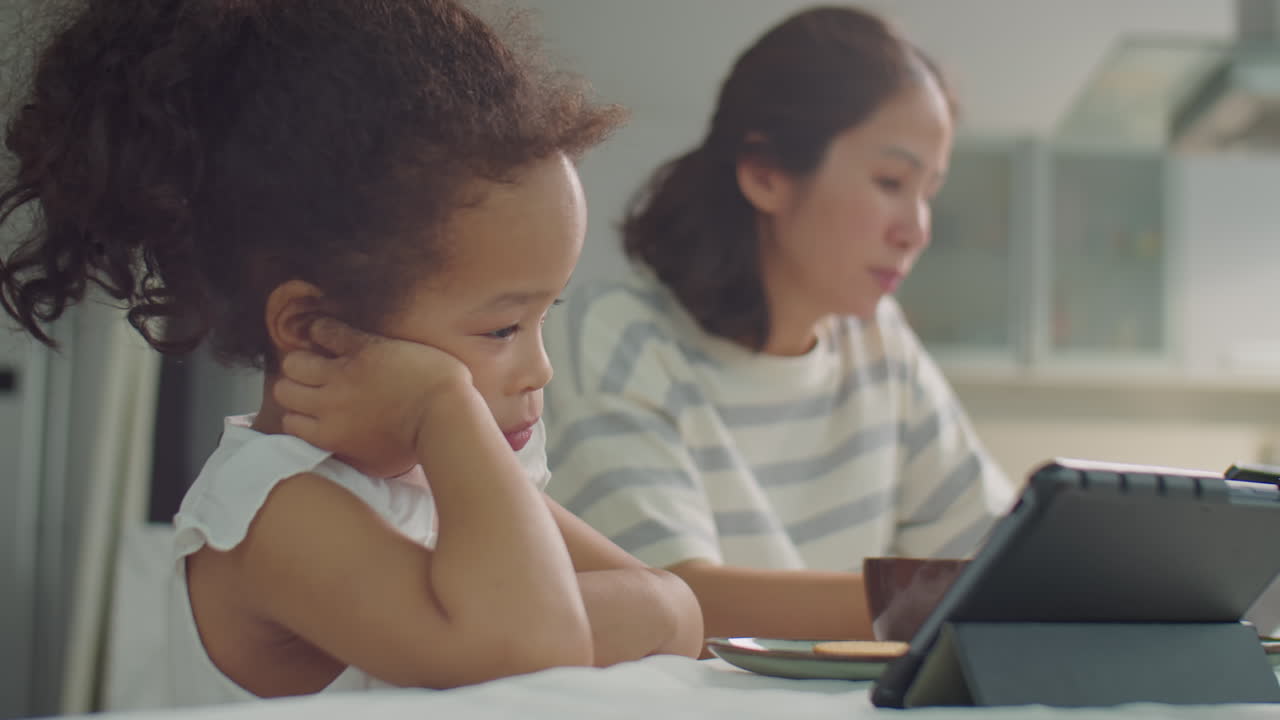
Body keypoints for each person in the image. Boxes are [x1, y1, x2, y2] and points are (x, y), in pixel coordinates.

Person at [0, 0, 702, 704]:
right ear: (313, 332)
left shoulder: (438, 481)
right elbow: (536, 649)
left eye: (544, 315)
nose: (541, 367)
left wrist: (643, 609)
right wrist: (443, 404)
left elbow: (678, 612)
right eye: (501, 329)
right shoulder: (277, 511)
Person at [543, 5, 1014, 643]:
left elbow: (999, 552)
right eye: (890, 180)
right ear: (765, 173)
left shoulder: (880, 344)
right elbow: (672, 600)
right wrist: (958, 602)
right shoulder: (614, 336)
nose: (917, 229)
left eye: (928, 191)